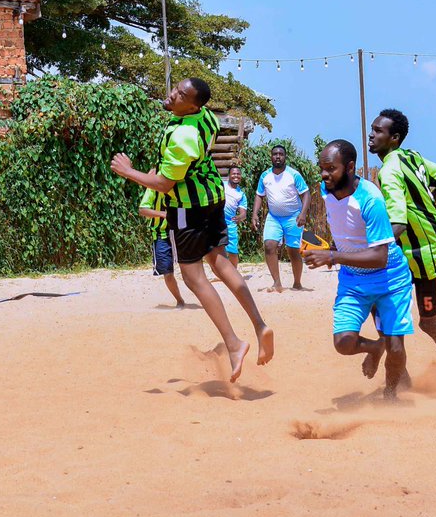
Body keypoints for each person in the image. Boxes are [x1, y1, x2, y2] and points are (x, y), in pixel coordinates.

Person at [111, 78, 274, 381]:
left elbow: (164, 184)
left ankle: (234, 343)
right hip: (213, 197)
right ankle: (260, 325)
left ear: (193, 105)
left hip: (189, 207)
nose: (172, 95)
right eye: (175, 89)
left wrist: (128, 172)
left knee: (193, 277)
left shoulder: (183, 136)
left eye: (181, 95)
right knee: (221, 262)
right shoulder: (205, 117)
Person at [304, 139, 416, 400]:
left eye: (331, 168)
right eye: (322, 167)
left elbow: (379, 256)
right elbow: (346, 230)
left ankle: (391, 396)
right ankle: (376, 348)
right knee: (343, 343)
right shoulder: (325, 190)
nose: (324, 174)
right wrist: (330, 247)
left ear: (350, 167)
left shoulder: (371, 199)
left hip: (390, 277)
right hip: (353, 278)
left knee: (396, 345)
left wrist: (332, 256)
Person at [368, 109, 436, 373]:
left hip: (429, 254)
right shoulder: (413, 158)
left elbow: (397, 223)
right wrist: (426, 202)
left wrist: (369, 251)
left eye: (378, 131)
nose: (371, 134)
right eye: (372, 129)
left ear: (394, 138)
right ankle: (401, 378)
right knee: (384, 312)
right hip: (407, 254)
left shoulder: (389, 171)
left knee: (427, 321)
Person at [250, 145, 310, 292]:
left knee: (293, 250)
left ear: (285, 157)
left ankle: (297, 283)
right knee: (269, 246)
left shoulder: (293, 175)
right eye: (275, 154)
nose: (278, 156)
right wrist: (254, 214)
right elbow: (259, 195)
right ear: (271, 157)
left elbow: (306, 194)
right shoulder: (265, 176)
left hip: (293, 217)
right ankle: (277, 283)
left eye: (281, 154)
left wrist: (303, 214)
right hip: (274, 217)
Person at [138, 182, 186, 307]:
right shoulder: (154, 187)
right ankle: (179, 300)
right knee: (167, 273)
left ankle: (204, 297)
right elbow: (142, 210)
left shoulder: (182, 186)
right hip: (161, 235)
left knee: (189, 271)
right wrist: (163, 214)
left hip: (180, 234)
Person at [223, 166, 248, 268]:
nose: (236, 176)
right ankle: (222, 273)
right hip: (216, 221)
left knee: (233, 250)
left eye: (238, 174)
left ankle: (234, 272)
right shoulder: (221, 185)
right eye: (233, 174)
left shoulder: (241, 195)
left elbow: (244, 214)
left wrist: (240, 217)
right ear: (229, 175)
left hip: (230, 223)